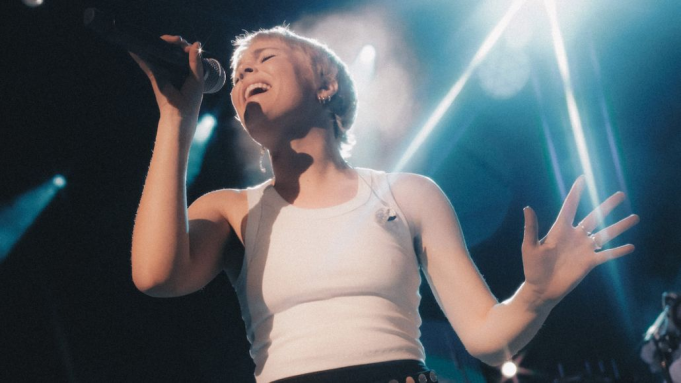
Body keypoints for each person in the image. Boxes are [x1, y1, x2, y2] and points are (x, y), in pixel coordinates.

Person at [129, 26, 639, 383]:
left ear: (326, 83)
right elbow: (157, 275)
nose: (243, 76)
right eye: (238, 74)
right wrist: (177, 115)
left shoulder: (410, 194)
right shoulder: (231, 209)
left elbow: (486, 337)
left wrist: (535, 295)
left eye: (264, 59)